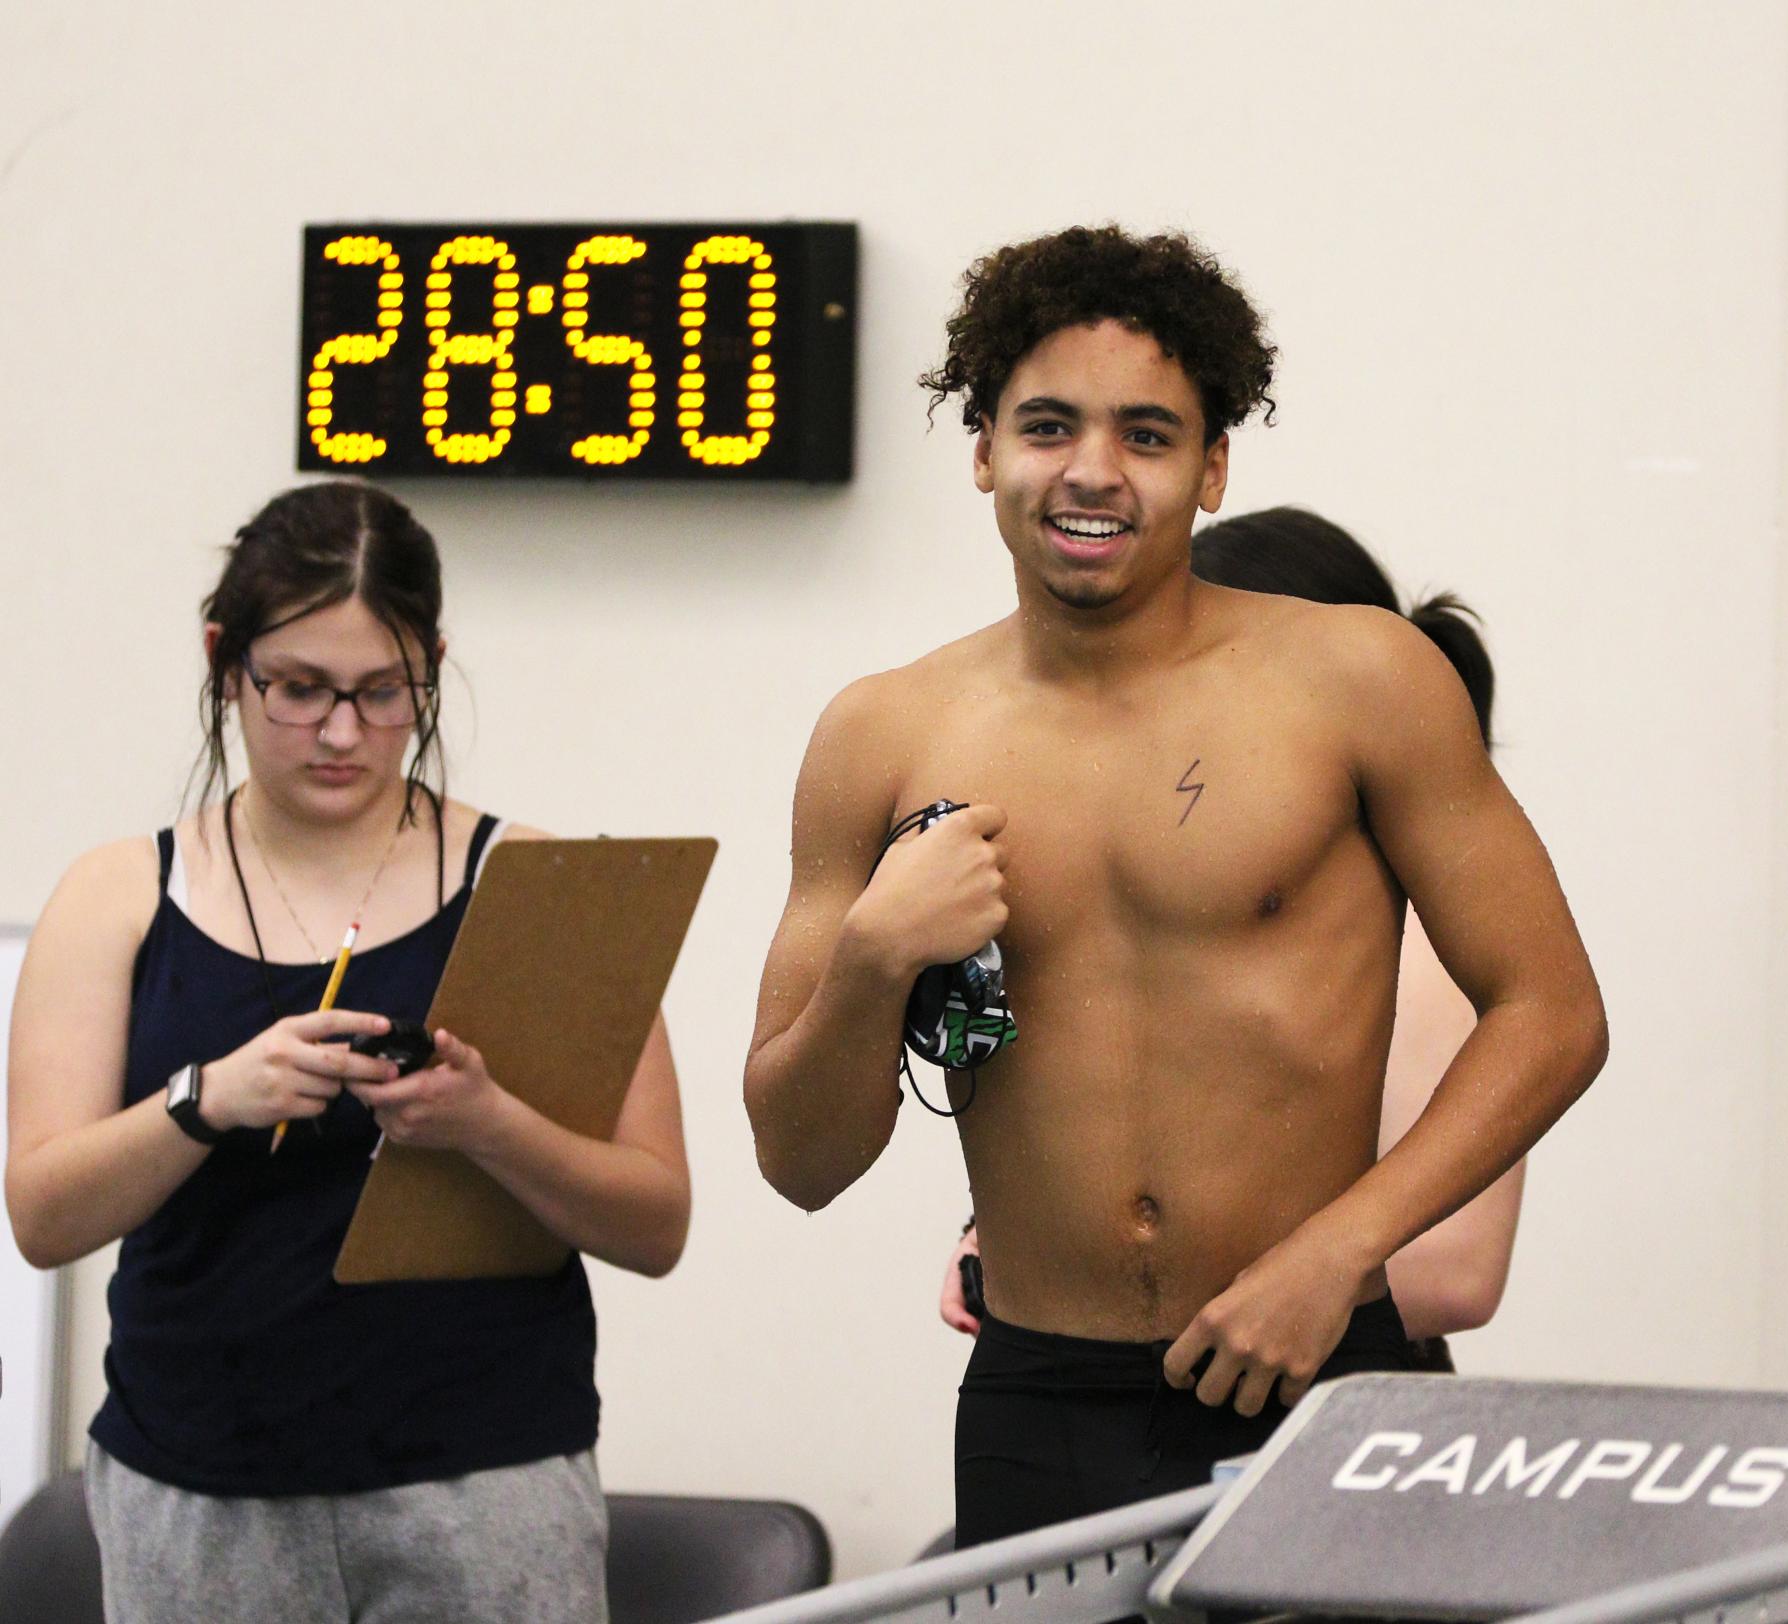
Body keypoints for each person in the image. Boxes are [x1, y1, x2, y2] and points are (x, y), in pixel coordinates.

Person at [743, 225, 1607, 1548]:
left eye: (1147, 435)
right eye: (1046, 426)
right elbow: (799, 1164)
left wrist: (1340, 1250)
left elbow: (1552, 1014)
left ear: (1211, 468)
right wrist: (872, 958)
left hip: (1316, 1362)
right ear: (982, 450)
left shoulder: (1358, 680)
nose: (1092, 472)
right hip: (1041, 1394)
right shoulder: (880, 733)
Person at [5, 481, 691, 1624]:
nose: (340, 732)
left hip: (484, 1478)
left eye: (384, 693)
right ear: (225, 661)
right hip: (199, 1484)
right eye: (300, 690)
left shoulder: (536, 885)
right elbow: (43, 1213)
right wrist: (207, 1098)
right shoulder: (119, 894)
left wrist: (487, 1122)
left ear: (432, 664)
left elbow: (655, 1221)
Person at [939, 508, 1527, 1369]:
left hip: (1321, 1402)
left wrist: (1202, 1282)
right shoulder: (1160, 918)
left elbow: (1457, 1270)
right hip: (1100, 1391)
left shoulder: (1430, 940)